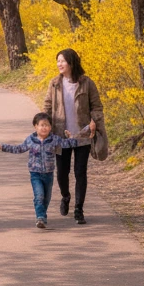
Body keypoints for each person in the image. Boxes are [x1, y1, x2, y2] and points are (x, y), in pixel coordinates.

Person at [44, 48, 104, 225]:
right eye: (58, 61)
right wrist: (43, 127)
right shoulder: (54, 84)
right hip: (60, 135)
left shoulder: (87, 83)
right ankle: (65, 196)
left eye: (62, 61)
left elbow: (97, 106)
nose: (59, 64)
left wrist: (94, 121)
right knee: (62, 173)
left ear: (71, 62)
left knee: (80, 172)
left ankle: (79, 209)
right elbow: (47, 106)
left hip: (82, 134)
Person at [0, 112, 79, 228]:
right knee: (39, 195)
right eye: (41, 125)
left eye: (47, 125)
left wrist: (72, 137)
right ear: (35, 126)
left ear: (51, 127)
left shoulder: (54, 139)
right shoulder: (31, 140)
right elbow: (18, 149)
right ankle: (40, 217)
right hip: (35, 174)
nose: (44, 127)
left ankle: (42, 214)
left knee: (46, 198)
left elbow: (67, 144)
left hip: (48, 174)